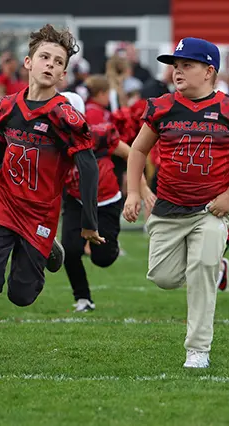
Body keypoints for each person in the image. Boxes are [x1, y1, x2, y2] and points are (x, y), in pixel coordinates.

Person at [0, 25, 101, 376]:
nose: (50, 65)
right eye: (44, 57)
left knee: (22, 294)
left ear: (64, 73)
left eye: (58, 61)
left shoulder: (63, 114)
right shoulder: (7, 105)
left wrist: (88, 223)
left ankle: (49, 248)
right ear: (28, 62)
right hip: (4, 205)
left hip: (41, 212)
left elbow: (88, 165)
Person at [122, 37, 229, 369]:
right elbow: (138, 150)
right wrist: (134, 191)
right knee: (163, 277)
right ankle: (212, 265)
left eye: (187, 65)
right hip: (169, 208)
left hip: (210, 209)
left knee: (201, 270)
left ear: (209, 71)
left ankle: (198, 349)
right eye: (175, 65)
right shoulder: (161, 106)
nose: (177, 71)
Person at [60, 91, 148, 313]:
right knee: (70, 250)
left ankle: (111, 247)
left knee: (103, 258)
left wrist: (142, 189)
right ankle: (83, 298)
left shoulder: (99, 133)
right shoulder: (52, 139)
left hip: (107, 200)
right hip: (76, 199)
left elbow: (131, 154)